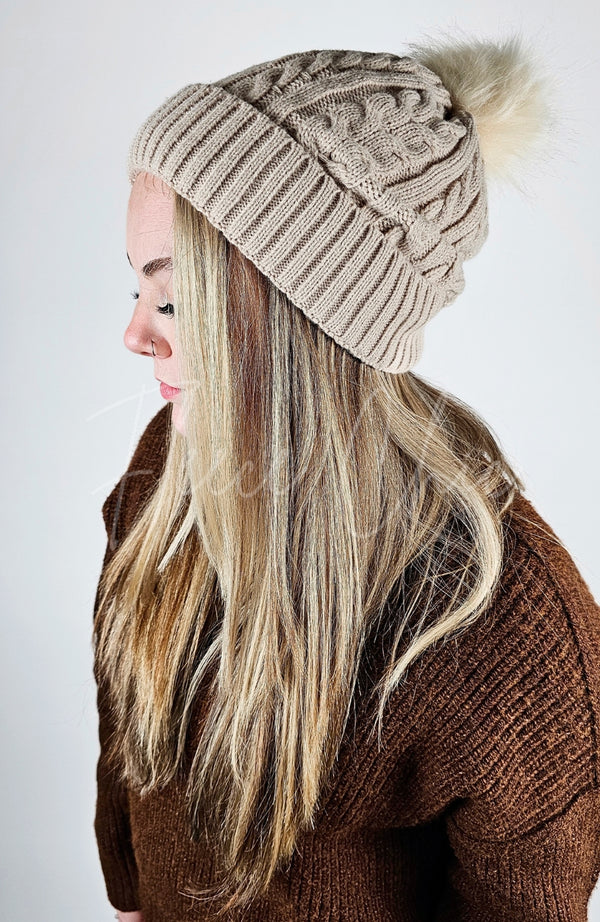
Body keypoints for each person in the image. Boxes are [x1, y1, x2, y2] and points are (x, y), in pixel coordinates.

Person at [92, 35, 600, 922]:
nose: (136, 335)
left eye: (172, 299)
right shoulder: (167, 474)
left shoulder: (502, 627)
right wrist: (130, 894)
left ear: (303, 316)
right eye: (136, 289)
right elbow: (129, 725)